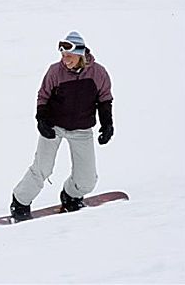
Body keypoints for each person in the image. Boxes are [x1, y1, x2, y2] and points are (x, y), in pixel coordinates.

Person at [10, 31, 114, 220]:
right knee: (42, 168)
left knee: (87, 180)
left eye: (69, 56)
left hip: (82, 129)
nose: (65, 60)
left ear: (80, 54)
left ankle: (71, 195)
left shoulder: (98, 73)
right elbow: (43, 96)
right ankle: (20, 203)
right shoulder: (54, 72)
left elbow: (105, 98)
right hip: (54, 127)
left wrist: (107, 124)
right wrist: (41, 120)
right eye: (63, 56)